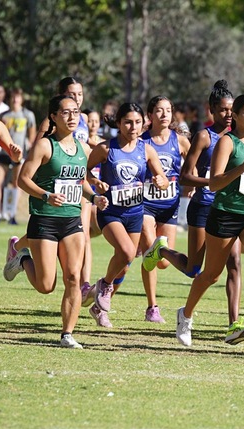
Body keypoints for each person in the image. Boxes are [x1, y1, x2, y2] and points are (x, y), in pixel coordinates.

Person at [151, 80, 244, 343]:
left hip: (229, 208)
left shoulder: (240, 138)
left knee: (235, 263)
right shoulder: (205, 137)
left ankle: (234, 325)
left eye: (231, 109)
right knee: (194, 269)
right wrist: (214, 182)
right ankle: (160, 250)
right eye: (222, 110)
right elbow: (185, 176)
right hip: (204, 206)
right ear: (211, 110)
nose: (228, 115)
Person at [3, 95, 108, 348]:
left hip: (72, 220)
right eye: (66, 113)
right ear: (53, 117)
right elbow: (23, 180)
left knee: (73, 277)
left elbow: (79, 181)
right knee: (46, 285)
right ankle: (22, 259)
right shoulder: (44, 146)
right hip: (44, 220)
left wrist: (94, 198)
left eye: (76, 112)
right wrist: (46, 196)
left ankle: (67, 334)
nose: (72, 118)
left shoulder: (83, 149)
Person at [176, 94, 244, 347]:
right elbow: (214, 183)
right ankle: (185, 315)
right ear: (237, 116)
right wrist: (241, 168)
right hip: (226, 213)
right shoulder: (226, 143)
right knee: (210, 274)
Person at [86, 103, 168, 328]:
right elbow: (84, 172)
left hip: (135, 213)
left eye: (138, 122)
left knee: (126, 262)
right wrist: (96, 182)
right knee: (126, 251)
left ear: (144, 124)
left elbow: (162, 178)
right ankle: (104, 284)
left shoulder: (146, 149)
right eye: (128, 122)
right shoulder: (106, 149)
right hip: (109, 212)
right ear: (119, 123)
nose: (133, 127)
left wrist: (161, 181)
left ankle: (98, 305)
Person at [135, 96, 190, 323]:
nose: (164, 114)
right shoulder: (141, 141)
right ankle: (152, 307)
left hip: (169, 206)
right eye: (159, 110)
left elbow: (193, 164)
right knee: (151, 252)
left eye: (168, 110)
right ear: (150, 115)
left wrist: (192, 184)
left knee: (164, 261)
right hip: (145, 204)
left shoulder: (180, 141)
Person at [0, 88, 36, 225]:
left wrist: (28, 148)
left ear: (21, 99)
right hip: (2, 154)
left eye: (17, 97)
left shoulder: (27, 115)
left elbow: (32, 134)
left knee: (16, 185)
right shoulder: (3, 115)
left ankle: (11, 214)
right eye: (13, 97)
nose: (15, 100)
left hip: (17, 152)